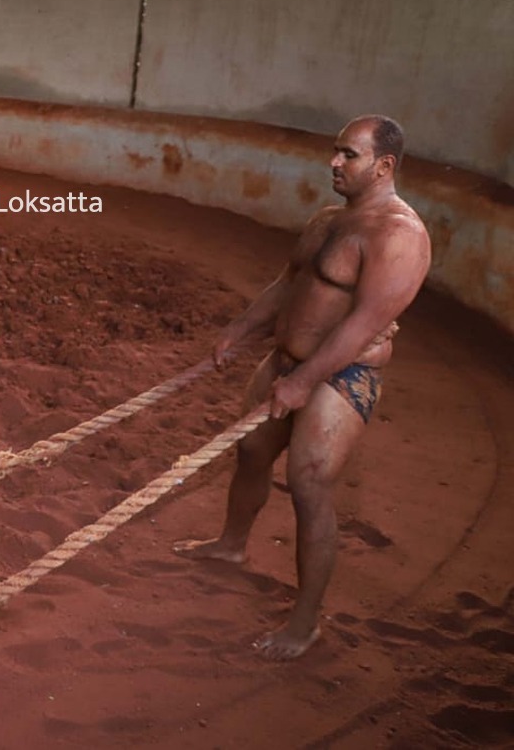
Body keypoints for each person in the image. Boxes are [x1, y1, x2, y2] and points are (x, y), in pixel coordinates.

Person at [174, 115, 432, 660]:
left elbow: (361, 325)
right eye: (335, 151)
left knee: (309, 484)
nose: (335, 163)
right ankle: (230, 547)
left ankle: (304, 622)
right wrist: (242, 328)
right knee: (250, 453)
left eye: (349, 155)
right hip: (287, 361)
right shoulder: (327, 220)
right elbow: (289, 284)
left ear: (384, 166)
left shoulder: (400, 236)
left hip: (341, 376)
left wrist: (303, 382)